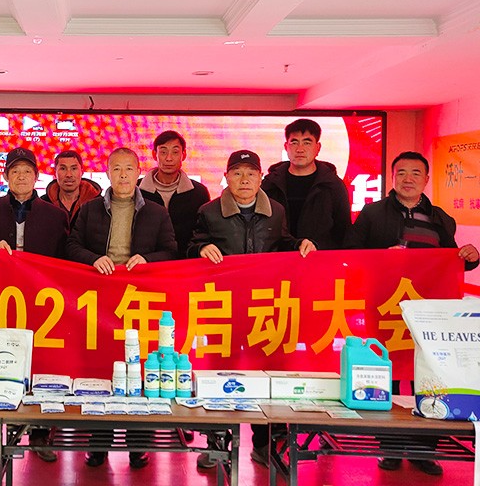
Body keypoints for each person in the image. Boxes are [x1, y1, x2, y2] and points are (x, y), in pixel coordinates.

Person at [344, 151, 479, 477]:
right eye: (401, 172)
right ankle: (389, 446)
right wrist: (382, 257)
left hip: (430, 313)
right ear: (392, 178)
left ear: (426, 180)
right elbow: (349, 254)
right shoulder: (373, 213)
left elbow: (452, 261)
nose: (408, 179)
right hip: (385, 307)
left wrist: (472, 257)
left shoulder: (440, 218)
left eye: (415, 173)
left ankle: (424, 448)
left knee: (427, 374)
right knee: (387, 374)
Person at [188, 149, 315, 469]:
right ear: (226, 178)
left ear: (260, 179)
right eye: (237, 173)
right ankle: (218, 442)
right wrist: (202, 248)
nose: (244, 180)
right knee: (219, 372)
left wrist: (299, 244)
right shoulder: (209, 211)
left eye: (250, 174)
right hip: (223, 307)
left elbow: (282, 242)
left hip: (264, 305)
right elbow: (189, 247)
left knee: (266, 372)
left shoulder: (276, 211)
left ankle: (264, 444)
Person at [66, 147, 176, 468]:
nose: (123, 175)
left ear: (138, 172)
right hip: (99, 299)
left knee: (138, 366)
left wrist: (148, 260)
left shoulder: (155, 211)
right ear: (108, 173)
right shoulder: (90, 210)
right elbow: (71, 245)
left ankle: (138, 442)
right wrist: (92, 258)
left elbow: (172, 250)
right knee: (101, 368)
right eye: (117, 169)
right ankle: (98, 441)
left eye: (129, 168)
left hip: (139, 300)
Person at [0, 147, 69, 462]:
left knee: (41, 361)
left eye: (27, 172)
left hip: (42, 300)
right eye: (15, 172)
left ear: (36, 177)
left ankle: (39, 433)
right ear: (6, 177)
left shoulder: (55, 215)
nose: (21, 177)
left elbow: (65, 258)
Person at [261, 119, 351, 249]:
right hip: (278, 257)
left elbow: (343, 232)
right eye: (294, 142)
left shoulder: (333, 185)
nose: (300, 149)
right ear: (286, 147)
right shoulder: (270, 184)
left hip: (319, 258)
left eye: (307, 143)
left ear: (318, 148)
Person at [139, 130, 210, 257]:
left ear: (184, 155)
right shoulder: (136, 190)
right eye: (163, 152)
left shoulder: (199, 192)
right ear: (154, 154)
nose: (169, 158)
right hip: (146, 261)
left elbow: (203, 233)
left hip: (186, 262)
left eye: (175, 152)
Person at [40, 150, 101, 228]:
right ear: (55, 172)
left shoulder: (98, 204)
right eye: (63, 168)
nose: (69, 175)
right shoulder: (43, 204)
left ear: (82, 172)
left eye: (74, 168)